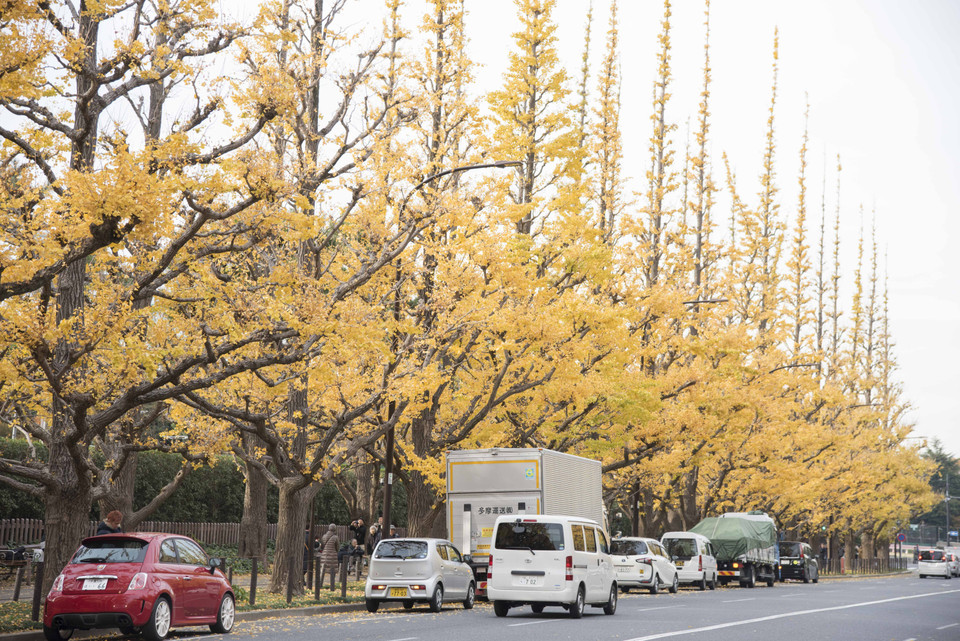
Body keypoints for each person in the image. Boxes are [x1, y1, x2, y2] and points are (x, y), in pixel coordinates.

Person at [318, 523, 340, 590]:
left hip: (324, 555)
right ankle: (332, 585)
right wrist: (336, 551)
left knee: (323, 570)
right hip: (333, 555)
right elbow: (337, 547)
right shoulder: (335, 537)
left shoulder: (324, 536)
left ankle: (320, 584)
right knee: (332, 571)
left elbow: (322, 546)